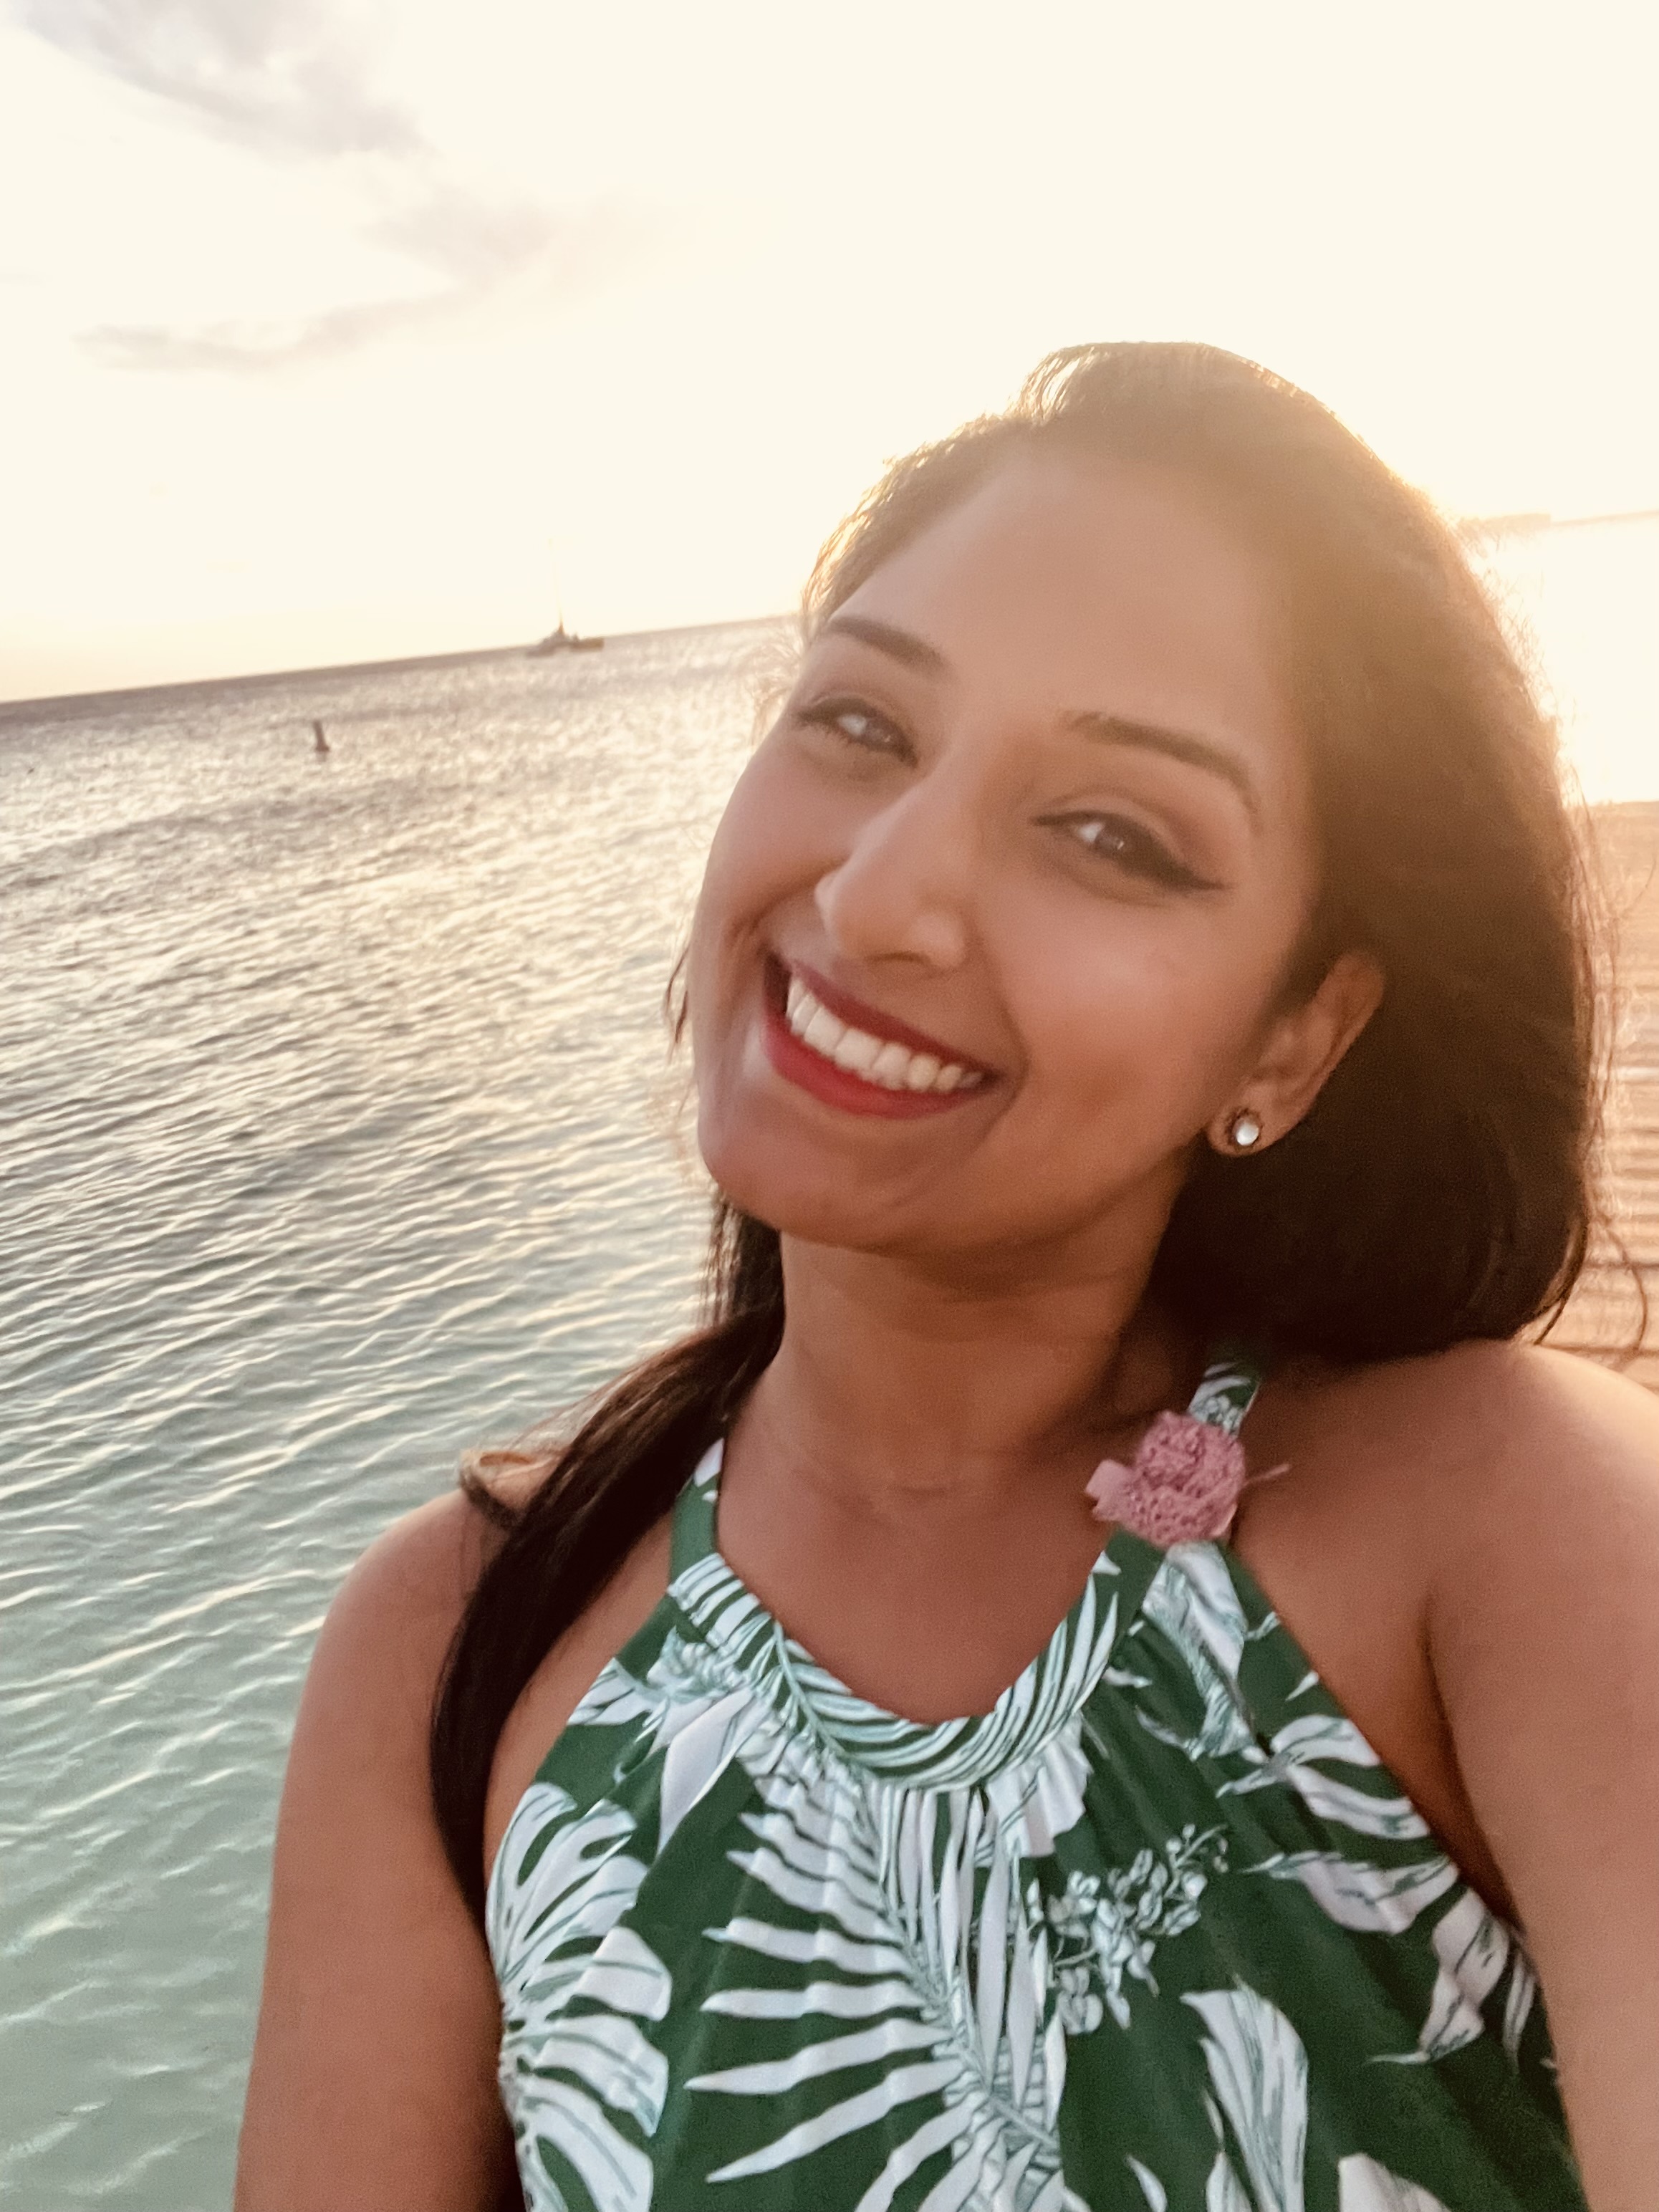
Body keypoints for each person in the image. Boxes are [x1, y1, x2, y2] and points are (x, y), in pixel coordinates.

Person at [235, 345, 1659, 2212]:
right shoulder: (459, 1646)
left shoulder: (1497, 1531)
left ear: (1291, 1039)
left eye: (1108, 835)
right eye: (858, 726)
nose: (882, 894)